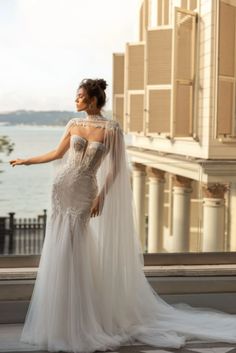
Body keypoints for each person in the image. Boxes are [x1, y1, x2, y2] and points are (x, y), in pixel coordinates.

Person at [9, 78, 236, 353]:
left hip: (85, 191)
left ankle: (80, 321)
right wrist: (27, 160)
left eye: (80, 96)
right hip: (62, 189)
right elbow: (57, 154)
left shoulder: (112, 129)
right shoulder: (73, 124)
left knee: (74, 247)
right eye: (76, 96)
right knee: (59, 247)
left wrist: (100, 197)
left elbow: (116, 169)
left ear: (93, 100)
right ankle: (56, 320)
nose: (76, 100)